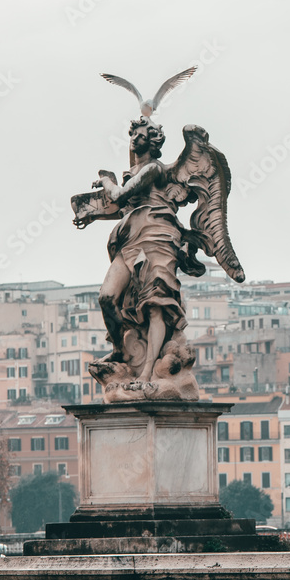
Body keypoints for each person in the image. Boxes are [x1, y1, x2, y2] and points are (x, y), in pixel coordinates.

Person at [95, 117, 186, 382]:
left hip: (158, 236)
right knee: (106, 297)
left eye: (142, 136)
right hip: (132, 238)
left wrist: (105, 181)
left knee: (155, 305)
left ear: (153, 142)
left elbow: (121, 195)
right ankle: (119, 350)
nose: (135, 139)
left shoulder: (154, 170)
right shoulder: (133, 172)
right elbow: (122, 207)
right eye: (133, 134)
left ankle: (146, 373)